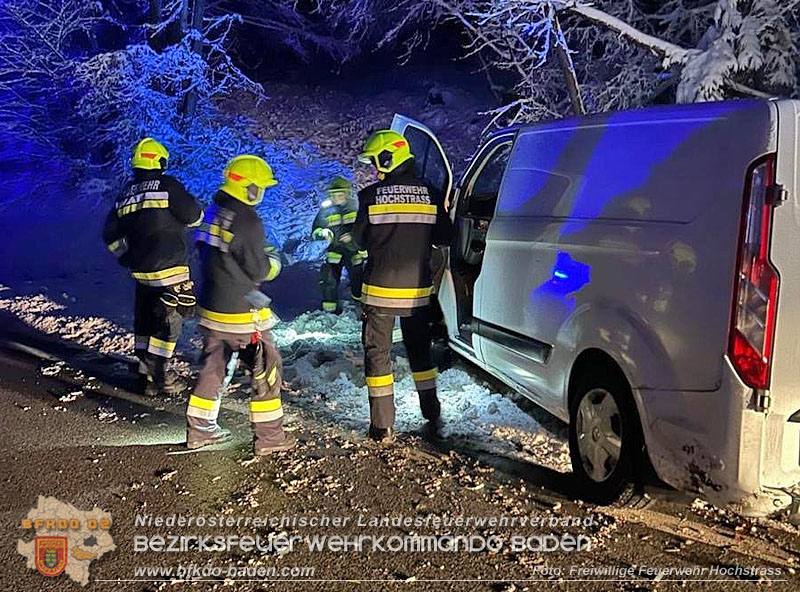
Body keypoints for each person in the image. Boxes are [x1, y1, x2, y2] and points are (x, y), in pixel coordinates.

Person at [187, 154, 295, 454]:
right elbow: (259, 270)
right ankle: (271, 439)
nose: (261, 193)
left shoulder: (213, 211)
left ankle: (200, 431)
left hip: (211, 307)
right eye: (259, 187)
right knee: (266, 370)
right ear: (249, 188)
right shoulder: (247, 219)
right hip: (243, 314)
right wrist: (273, 261)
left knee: (213, 368)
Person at [353, 129, 452, 442]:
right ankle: (431, 412)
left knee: (378, 355)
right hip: (418, 294)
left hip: (379, 293)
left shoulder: (369, 197)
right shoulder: (432, 194)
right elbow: (445, 237)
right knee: (420, 353)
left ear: (387, 157)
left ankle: (382, 426)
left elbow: (358, 240)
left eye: (375, 162)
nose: (374, 168)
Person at [103, 137, 203, 396]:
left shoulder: (125, 194)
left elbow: (110, 234)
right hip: (170, 269)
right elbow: (194, 217)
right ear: (160, 161)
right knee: (169, 321)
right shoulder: (168, 186)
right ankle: (161, 375)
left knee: (145, 320)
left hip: (141, 271)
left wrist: (126, 257)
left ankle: (144, 374)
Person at [311, 177, 366, 313]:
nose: (336, 198)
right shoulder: (326, 210)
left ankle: (360, 307)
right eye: (333, 195)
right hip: (334, 252)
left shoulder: (357, 207)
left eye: (340, 195)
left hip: (354, 251)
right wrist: (322, 232)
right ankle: (330, 312)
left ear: (347, 194)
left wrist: (353, 237)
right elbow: (314, 231)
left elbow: (366, 228)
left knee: (358, 279)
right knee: (329, 280)